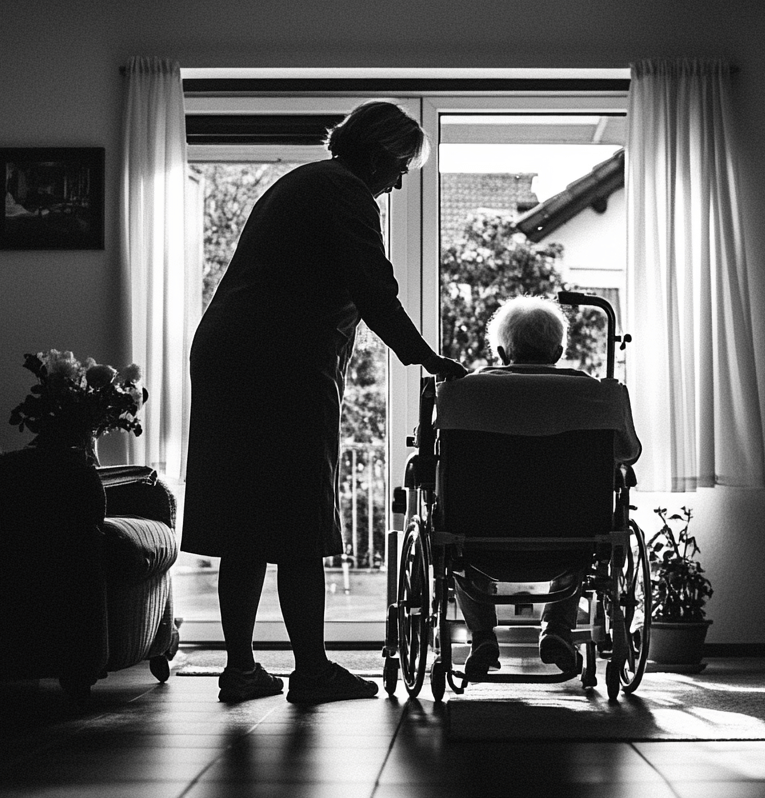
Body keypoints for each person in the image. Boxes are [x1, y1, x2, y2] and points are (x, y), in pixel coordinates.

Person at [181, 101, 467, 705]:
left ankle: (240, 670)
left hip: (232, 355)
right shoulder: (345, 194)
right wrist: (428, 358)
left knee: (244, 519)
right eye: (400, 167)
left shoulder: (305, 182)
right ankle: (311, 670)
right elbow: (373, 289)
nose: (397, 182)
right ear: (380, 153)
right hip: (279, 365)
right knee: (298, 517)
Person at [454, 295, 640, 678]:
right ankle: (557, 629)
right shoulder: (597, 393)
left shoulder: (466, 392)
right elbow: (628, 454)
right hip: (570, 542)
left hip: (478, 543)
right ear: (558, 350)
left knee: (450, 537)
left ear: (502, 351)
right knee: (580, 528)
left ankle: (483, 637)